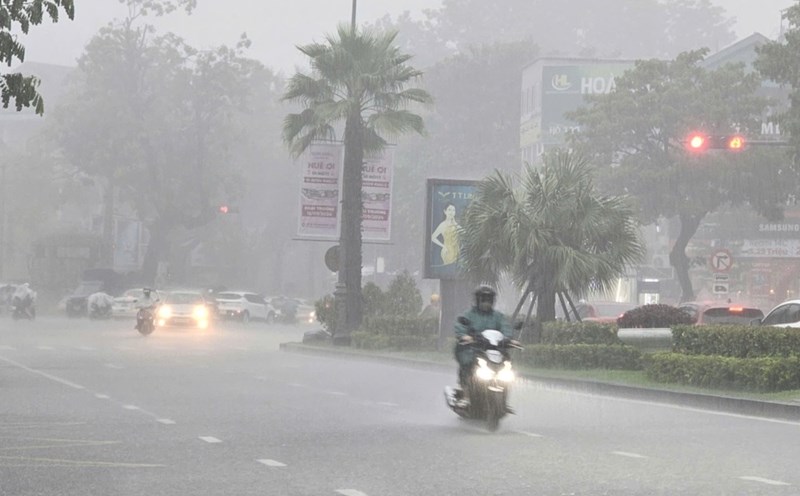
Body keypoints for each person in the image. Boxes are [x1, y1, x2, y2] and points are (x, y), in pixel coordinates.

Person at [453, 285, 513, 407]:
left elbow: (506, 328)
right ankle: (466, 394)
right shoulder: (469, 314)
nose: (486, 302)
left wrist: (508, 339)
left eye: (489, 299)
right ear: (478, 300)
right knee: (468, 363)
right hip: (473, 349)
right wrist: (465, 336)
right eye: (483, 299)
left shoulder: (498, 316)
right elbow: (460, 326)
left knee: (507, 364)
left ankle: (504, 397)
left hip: (494, 350)